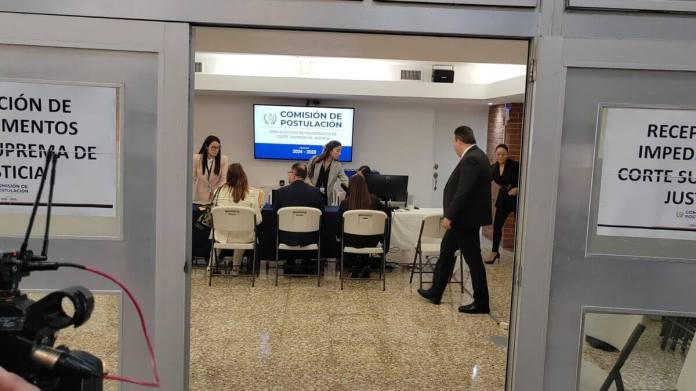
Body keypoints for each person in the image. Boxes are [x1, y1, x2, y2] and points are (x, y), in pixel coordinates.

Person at [417, 125, 492, 314]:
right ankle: (436, 291)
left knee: (473, 260)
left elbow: (463, 191)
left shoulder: (471, 159)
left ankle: (481, 302)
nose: (454, 146)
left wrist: (450, 215)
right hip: (465, 220)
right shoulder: (478, 155)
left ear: (459, 140)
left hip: (464, 220)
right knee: (446, 252)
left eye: (454, 142)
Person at [273, 162, 324, 274]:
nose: (288, 175)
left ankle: (289, 262)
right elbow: (322, 214)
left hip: (287, 237)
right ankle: (306, 262)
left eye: (289, 172)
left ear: (294, 174)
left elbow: (275, 214)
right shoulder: (315, 192)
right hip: (310, 237)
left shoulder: (281, 192)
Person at [214, 163, 263, 275]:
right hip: (243, 237)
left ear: (228, 176)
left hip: (222, 235)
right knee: (243, 230)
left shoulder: (218, 191)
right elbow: (258, 220)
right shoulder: (251, 195)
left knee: (217, 232)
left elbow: (214, 215)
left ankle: (210, 266)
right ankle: (236, 268)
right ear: (243, 176)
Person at [337, 174, 385, 278]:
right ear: (365, 185)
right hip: (371, 241)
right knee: (365, 234)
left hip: (351, 241)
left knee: (351, 235)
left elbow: (339, 226)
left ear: (350, 187)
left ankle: (353, 265)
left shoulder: (345, 204)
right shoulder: (375, 201)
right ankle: (365, 263)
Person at [488, 144, 519, 264]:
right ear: (495, 154)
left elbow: (526, 179)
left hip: (516, 198)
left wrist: (518, 188)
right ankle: (494, 252)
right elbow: (485, 182)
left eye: (503, 154)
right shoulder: (492, 168)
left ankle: (520, 253)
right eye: (498, 154)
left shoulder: (515, 165)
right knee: (497, 225)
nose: (501, 156)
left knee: (519, 228)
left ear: (507, 154)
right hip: (503, 198)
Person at [307, 140, 349, 205]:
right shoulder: (314, 160)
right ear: (330, 150)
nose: (340, 153)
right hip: (311, 195)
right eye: (337, 150)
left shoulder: (338, 165)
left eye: (340, 151)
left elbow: (345, 180)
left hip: (326, 198)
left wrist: (354, 188)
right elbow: (306, 176)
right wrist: (313, 188)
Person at [193, 135, 229, 205]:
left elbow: (224, 180)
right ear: (206, 146)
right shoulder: (196, 158)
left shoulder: (223, 159)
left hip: (216, 197)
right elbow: (193, 178)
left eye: (218, 148)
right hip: (200, 197)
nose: (216, 150)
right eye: (213, 147)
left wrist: (215, 191)